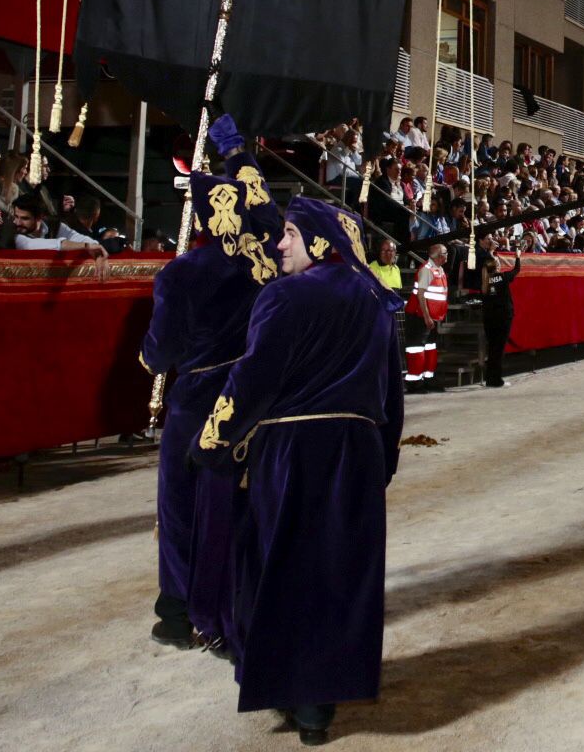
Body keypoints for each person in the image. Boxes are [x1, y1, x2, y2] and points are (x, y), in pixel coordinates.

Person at [187, 196, 405, 746]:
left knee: (284, 566)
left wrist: (211, 444)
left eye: (288, 233)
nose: (279, 244)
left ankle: (290, 688)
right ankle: (322, 701)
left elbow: (252, 380)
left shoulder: (282, 296)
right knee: (340, 573)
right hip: (358, 452)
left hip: (292, 451)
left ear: (320, 241)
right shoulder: (378, 300)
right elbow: (393, 395)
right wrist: (381, 460)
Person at [142, 116, 281, 652]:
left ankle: (178, 608)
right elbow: (262, 204)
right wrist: (235, 150)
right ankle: (228, 605)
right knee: (230, 503)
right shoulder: (263, 258)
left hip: (196, 398)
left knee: (179, 506)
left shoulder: (180, 274)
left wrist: (146, 355)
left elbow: (161, 353)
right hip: (246, 397)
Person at [474, 233, 521, 387]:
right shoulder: (501, 278)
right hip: (502, 318)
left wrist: (491, 254)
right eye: (498, 263)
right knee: (498, 350)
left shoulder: (485, 283)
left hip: (489, 317)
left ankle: (490, 378)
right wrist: (518, 256)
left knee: (492, 349)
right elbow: (516, 270)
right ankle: (496, 380)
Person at [403, 242, 448, 391]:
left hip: (432, 317)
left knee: (430, 347)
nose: (447, 255)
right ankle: (414, 382)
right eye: (446, 253)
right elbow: (421, 295)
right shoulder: (426, 270)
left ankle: (428, 378)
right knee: (416, 348)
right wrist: (427, 317)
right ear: (440, 256)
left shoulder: (439, 269)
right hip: (419, 316)